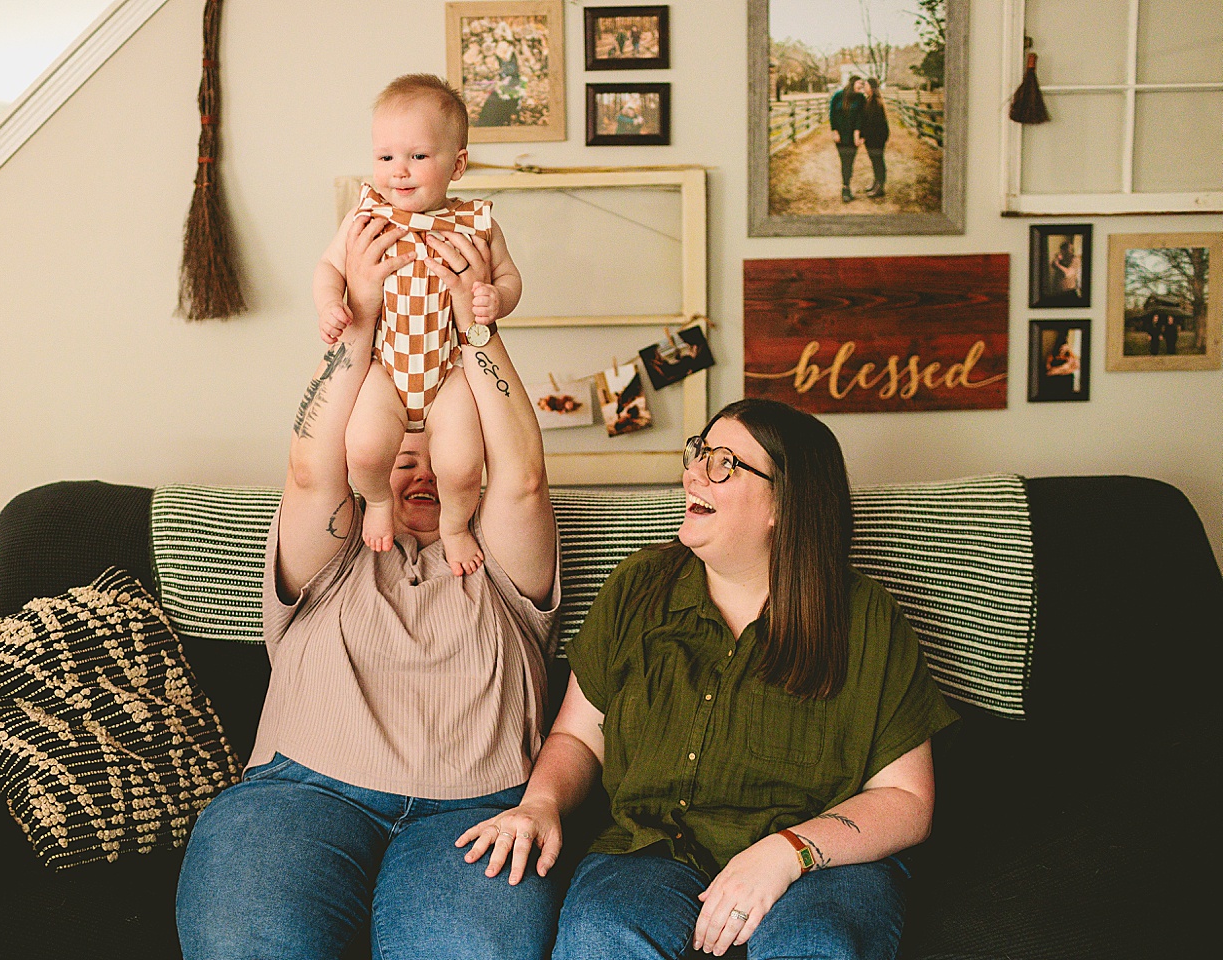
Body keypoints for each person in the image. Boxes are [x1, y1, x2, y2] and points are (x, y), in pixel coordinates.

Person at [176, 178, 561, 960]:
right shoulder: (338, 550)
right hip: (301, 792)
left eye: (440, 459)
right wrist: (356, 318)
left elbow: (520, 474)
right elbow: (312, 468)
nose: (416, 474)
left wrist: (476, 325)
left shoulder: (503, 568)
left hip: (480, 810)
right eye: (397, 459)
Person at [458, 398, 959, 960]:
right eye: (699, 451)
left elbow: (907, 799)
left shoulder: (865, 620)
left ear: (784, 504)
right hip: (652, 852)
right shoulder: (637, 589)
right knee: (605, 937)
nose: (692, 471)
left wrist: (785, 853)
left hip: (819, 863)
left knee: (814, 946)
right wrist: (541, 803)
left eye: (723, 463)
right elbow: (579, 735)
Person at [314, 75, 523, 576]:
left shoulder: (477, 224)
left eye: (418, 157)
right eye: (385, 157)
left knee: (462, 466)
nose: (399, 172)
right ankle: (379, 502)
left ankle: (454, 526)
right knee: (363, 450)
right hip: (384, 368)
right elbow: (329, 267)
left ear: (458, 163)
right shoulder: (366, 218)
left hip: (450, 371)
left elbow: (510, 279)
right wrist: (330, 305)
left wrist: (497, 298)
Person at [829, 76, 865, 202]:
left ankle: (846, 187)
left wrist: (858, 134)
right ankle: (845, 187)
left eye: (863, 84)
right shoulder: (838, 96)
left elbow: (861, 117)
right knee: (844, 161)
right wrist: (834, 131)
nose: (862, 86)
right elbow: (832, 114)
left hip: (853, 136)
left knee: (849, 162)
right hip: (840, 135)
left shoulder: (861, 98)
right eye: (860, 83)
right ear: (853, 82)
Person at [858, 78, 890, 199]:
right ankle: (876, 184)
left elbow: (872, 123)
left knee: (878, 162)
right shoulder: (870, 100)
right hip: (873, 138)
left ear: (871, 87)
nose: (864, 88)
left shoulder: (875, 102)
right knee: (875, 162)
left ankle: (880, 188)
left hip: (876, 138)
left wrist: (863, 136)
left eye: (865, 85)